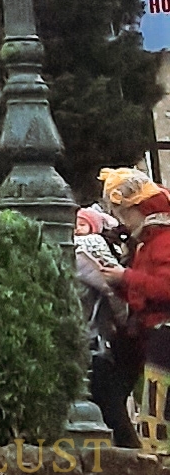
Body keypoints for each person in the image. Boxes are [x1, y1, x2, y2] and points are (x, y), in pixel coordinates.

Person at [100, 169, 170, 455]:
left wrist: (124, 278)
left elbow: (164, 288)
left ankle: (158, 463)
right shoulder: (148, 242)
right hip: (149, 335)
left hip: (163, 336)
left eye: (123, 213)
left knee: (158, 406)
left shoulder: (162, 241)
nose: (121, 222)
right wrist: (119, 283)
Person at [76, 202, 137, 445]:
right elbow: (114, 293)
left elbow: (112, 289)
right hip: (99, 342)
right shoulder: (92, 249)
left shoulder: (85, 249)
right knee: (110, 404)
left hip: (93, 343)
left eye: (83, 224)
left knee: (108, 403)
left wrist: (124, 322)